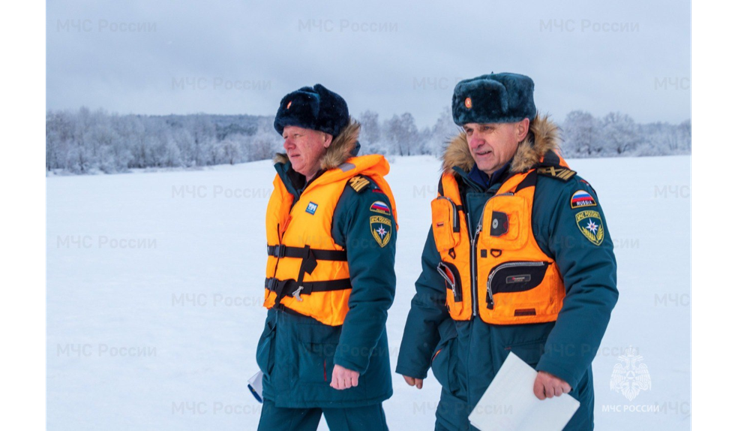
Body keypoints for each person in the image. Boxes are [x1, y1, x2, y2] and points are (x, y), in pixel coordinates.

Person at [396, 73, 618, 430]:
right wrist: (417, 352)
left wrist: (559, 365)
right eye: (469, 130)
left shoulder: (561, 194)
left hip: (536, 390)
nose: (476, 141)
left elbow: (594, 284)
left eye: (487, 127)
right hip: (461, 389)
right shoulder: (455, 196)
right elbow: (434, 279)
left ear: (521, 127)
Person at [256, 84, 398, 431]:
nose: (287, 143)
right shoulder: (292, 191)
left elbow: (374, 288)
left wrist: (351, 357)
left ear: (326, 137)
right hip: (287, 363)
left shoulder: (360, 196)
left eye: (297, 134)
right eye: (284, 134)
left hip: (343, 366)